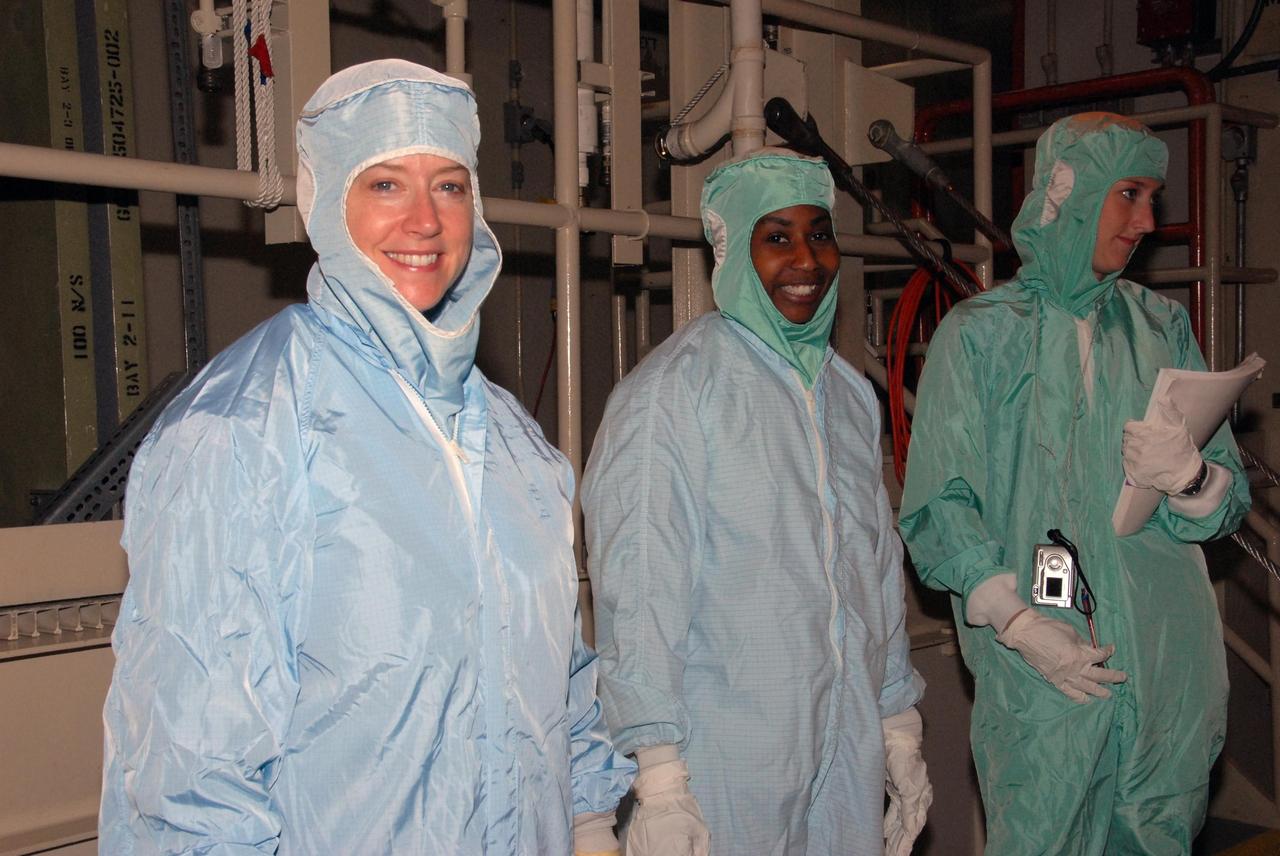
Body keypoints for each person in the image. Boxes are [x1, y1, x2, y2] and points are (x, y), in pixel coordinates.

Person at [99, 60, 634, 855]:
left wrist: (591, 824)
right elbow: (191, 763)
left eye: (449, 186)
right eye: (386, 184)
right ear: (326, 201)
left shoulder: (515, 442)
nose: (424, 220)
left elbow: (559, 676)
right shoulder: (244, 427)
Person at [900, 113, 1250, 854]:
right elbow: (939, 507)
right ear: (1073, 192)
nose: (1146, 221)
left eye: (1152, 198)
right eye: (1129, 195)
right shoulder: (981, 335)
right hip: (1046, 675)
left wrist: (1191, 477)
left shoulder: (1161, 327)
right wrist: (1016, 624)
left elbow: (1229, 503)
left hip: (1164, 668)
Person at [582, 148, 931, 856]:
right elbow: (642, 591)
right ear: (732, 251)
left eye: (820, 234)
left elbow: (872, 567)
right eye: (777, 237)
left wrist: (896, 720)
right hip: (726, 762)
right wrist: (659, 777)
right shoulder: (674, 394)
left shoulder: (846, 393)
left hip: (846, 745)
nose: (807, 259)